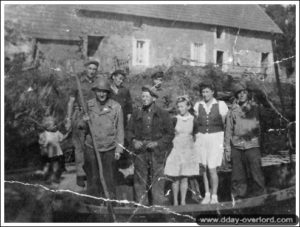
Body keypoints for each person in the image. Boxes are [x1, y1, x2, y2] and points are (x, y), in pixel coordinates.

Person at [127, 85, 174, 206]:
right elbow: (129, 131)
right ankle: (141, 206)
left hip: (157, 151)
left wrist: (157, 143)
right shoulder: (136, 113)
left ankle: (158, 206)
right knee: (139, 179)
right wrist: (134, 141)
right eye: (143, 96)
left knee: (157, 178)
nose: (144, 99)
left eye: (147, 96)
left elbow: (170, 134)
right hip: (141, 151)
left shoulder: (163, 114)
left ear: (153, 98)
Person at [83, 77, 124, 198]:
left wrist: (119, 149)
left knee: (109, 178)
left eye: (104, 91)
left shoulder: (116, 107)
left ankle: (110, 204)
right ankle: (94, 206)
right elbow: (80, 127)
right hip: (92, 148)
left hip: (109, 148)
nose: (101, 94)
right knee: (93, 178)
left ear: (108, 92)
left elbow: (120, 130)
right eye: (99, 91)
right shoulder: (88, 105)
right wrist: (84, 121)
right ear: (95, 91)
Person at [224, 82, 266, 199]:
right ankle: (238, 197)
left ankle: (260, 196)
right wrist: (227, 149)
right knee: (237, 175)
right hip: (236, 147)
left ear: (247, 93)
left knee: (256, 172)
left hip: (252, 145)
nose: (241, 95)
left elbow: (264, 124)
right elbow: (228, 130)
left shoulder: (256, 108)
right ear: (236, 95)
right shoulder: (232, 110)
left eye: (243, 92)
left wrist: (262, 143)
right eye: (239, 93)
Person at [65, 59, 99, 187]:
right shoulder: (77, 82)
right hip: (79, 115)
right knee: (79, 147)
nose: (92, 71)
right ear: (86, 69)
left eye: (94, 69)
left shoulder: (98, 83)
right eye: (90, 68)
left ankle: (91, 172)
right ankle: (80, 174)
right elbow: (71, 102)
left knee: (91, 145)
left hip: (94, 116)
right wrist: (68, 119)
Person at [194, 81, 228, 204]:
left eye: (207, 91)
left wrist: (224, 143)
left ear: (212, 92)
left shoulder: (221, 104)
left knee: (212, 168)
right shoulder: (198, 105)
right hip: (201, 139)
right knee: (204, 168)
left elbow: (225, 124)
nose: (205, 94)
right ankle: (207, 194)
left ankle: (214, 196)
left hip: (216, 138)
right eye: (203, 92)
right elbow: (196, 125)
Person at [164, 95, 199, 206]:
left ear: (188, 107)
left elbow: (196, 136)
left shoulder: (194, 120)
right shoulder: (174, 119)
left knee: (184, 177)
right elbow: (169, 134)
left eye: (182, 106)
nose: (180, 109)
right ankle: (175, 202)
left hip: (188, 150)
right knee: (175, 177)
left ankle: (183, 201)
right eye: (178, 107)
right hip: (176, 149)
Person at [110, 69, 134, 201]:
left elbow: (129, 110)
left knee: (124, 153)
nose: (120, 81)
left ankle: (125, 184)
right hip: (110, 127)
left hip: (122, 127)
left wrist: (129, 126)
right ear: (113, 77)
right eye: (118, 78)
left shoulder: (125, 91)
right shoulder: (107, 90)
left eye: (122, 79)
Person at [38, 116, 67, 184]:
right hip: (47, 153)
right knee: (47, 166)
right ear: (48, 127)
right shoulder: (44, 134)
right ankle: (46, 177)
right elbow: (41, 142)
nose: (55, 126)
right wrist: (43, 144)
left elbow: (62, 138)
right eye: (53, 125)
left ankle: (54, 178)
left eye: (55, 125)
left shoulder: (57, 133)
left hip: (56, 153)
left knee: (55, 166)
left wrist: (68, 134)